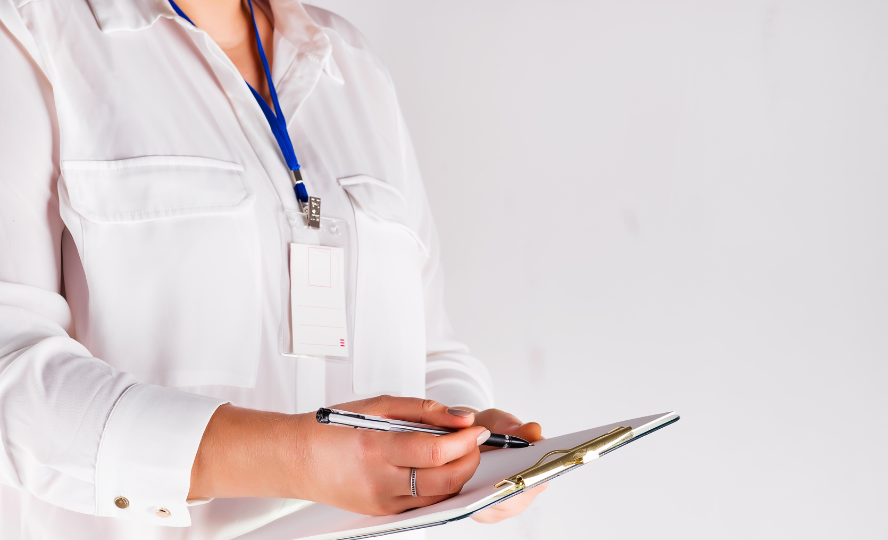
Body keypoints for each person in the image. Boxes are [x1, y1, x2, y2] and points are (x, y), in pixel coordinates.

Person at [0, 0, 546, 537]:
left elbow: (430, 351)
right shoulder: (31, 32)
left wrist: (466, 439)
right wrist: (299, 458)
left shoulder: (352, 64)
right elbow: (11, 374)